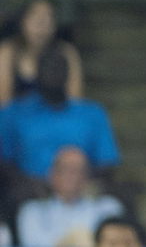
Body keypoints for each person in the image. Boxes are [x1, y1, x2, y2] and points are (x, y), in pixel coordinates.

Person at [0, 46, 119, 180]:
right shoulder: (12, 115)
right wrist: (26, 184)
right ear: (36, 73)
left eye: (59, 68)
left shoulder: (92, 114)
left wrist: (73, 183)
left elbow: (107, 163)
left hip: (82, 189)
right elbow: (4, 162)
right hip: (27, 188)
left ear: (68, 73)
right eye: (48, 68)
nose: (54, 73)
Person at [16, 147, 125, 247]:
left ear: (87, 177)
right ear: (52, 175)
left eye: (78, 170)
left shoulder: (107, 207)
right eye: (65, 169)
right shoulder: (32, 212)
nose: (72, 175)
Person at [0, 0, 83, 105]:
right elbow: (4, 102)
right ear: (22, 22)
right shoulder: (8, 52)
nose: (42, 26)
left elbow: (75, 100)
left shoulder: (66, 52)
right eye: (36, 19)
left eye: (48, 19)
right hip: (17, 115)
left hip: (58, 114)